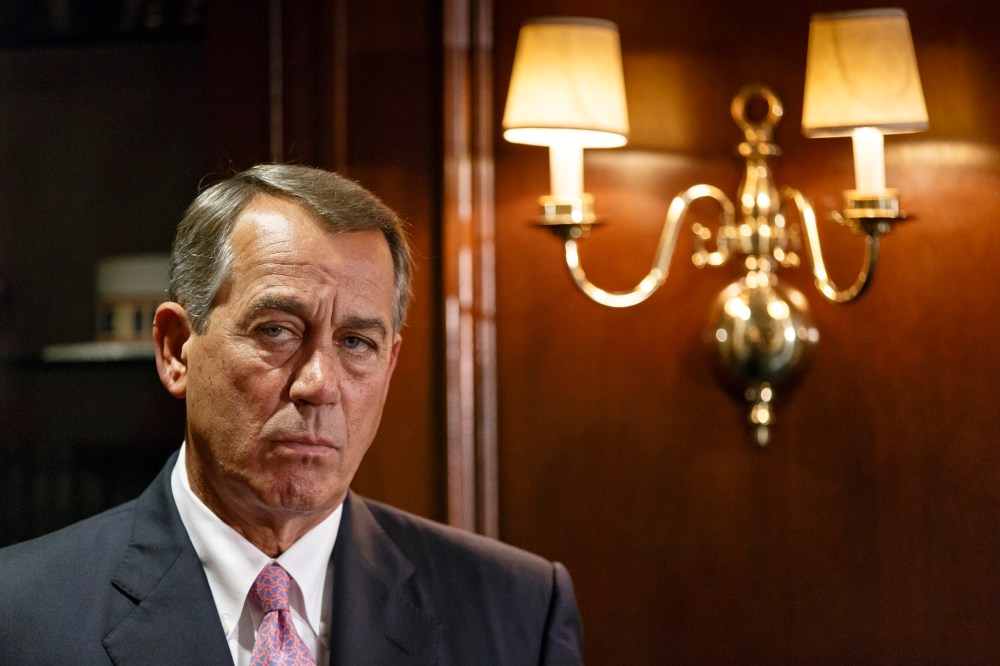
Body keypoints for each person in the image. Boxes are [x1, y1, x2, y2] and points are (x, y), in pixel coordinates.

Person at [0, 164, 583, 664]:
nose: (319, 384)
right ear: (177, 349)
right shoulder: (21, 614)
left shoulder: (518, 612)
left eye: (356, 343)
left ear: (391, 364)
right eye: (277, 331)